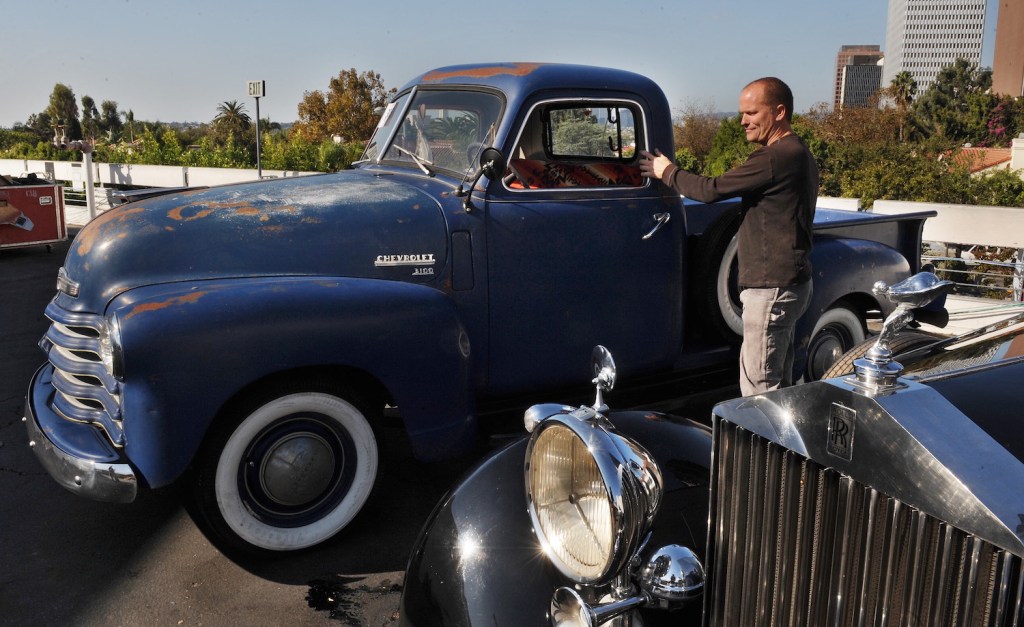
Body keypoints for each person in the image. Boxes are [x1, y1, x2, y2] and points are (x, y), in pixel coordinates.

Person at [638, 77, 818, 396]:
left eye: (752, 112)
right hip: (789, 283)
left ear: (779, 112)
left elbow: (711, 190)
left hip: (770, 288)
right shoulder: (798, 151)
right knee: (781, 385)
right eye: (741, 113)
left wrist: (667, 171)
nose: (743, 121)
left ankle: (766, 431)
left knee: (760, 391)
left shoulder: (774, 157)